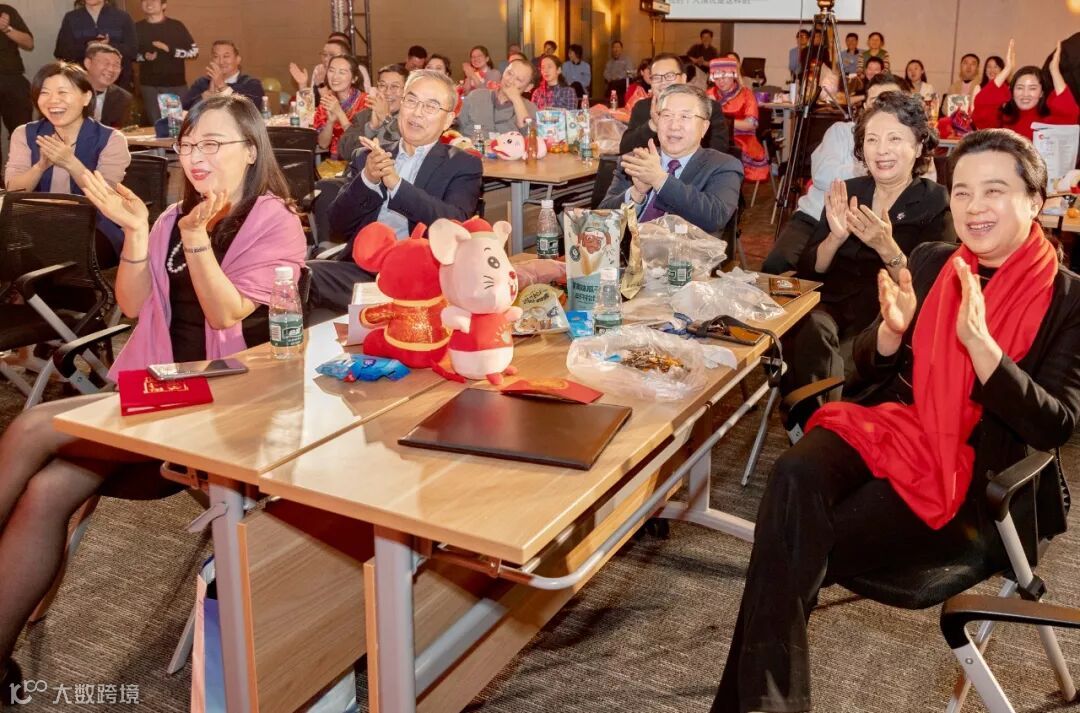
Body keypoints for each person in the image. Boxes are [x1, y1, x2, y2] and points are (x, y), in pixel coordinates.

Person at [712, 128, 1080, 713]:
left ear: (1035, 201)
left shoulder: (1068, 300)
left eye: (994, 191)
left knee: (787, 544)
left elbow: (1055, 425)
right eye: (962, 192)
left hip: (980, 486)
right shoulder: (933, 261)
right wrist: (890, 333)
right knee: (794, 475)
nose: (974, 207)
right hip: (896, 428)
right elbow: (865, 368)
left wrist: (984, 351)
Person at [0, 94, 306, 704]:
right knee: (48, 488)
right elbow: (134, 305)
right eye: (188, 144)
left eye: (212, 143)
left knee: (32, 426)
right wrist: (139, 233)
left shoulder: (273, 221)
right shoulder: (172, 216)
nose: (196, 155)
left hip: (228, 399)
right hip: (160, 391)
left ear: (250, 151)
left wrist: (197, 241)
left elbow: (226, 312)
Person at [785, 91, 953, 401]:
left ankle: (821, 413)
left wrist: (887, 248)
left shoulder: (935, 201)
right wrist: (835, 238)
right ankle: (820, 414)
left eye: (894, 139)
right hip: (831, 308)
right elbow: (808, 269)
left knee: (848, 360)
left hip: (885, 315)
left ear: (918, 146)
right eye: (872, 140)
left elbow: (933, 287)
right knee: (809, 327)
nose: (882, 150)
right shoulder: (849, 191)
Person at [308, 70, 483, 313]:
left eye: (431, 106)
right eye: (411, 101)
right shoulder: (369, 156)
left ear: (447, 120)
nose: (417, 112)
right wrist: (368, 179)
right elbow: (338, 225)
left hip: (420, 278)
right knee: (298, 276)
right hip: (364, 272)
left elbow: (453, 225)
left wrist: (397, 185)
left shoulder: (461, 164)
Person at [764, 74, 925, 274]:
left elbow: (922, 183)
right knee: (776, 267)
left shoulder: (910, 143)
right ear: (865, 106)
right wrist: (877, 168)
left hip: (879, 226)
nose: (885, 109)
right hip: (815, 216)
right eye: (877, 102)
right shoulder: (841, 132)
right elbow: (822, 174)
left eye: (892, 101)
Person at [4, 61, 131, 259]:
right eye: (44, 93)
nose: (53, 100)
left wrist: (70, 162)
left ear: (86, 97)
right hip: (32, 224)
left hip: (93, 226)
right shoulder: (25, 133)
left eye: (63, 92)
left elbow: (107, 197)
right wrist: (40, 166)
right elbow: (13, 191)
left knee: (56, 249)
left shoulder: (111, 139)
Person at [601, 84, 742, 235]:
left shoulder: (723, 165)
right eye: (667, 115)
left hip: (684, 250)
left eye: (685, 117)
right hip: (627, 248)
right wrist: (636, 194)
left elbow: (715, 217)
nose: (674, 126)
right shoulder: (635, 161)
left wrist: (660, 180)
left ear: (704, 127)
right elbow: (601, 220)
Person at [620, 53, 731, 158]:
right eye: (656, 77)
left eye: (670, 76)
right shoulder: (642, 107)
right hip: (648, 169)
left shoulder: (707, 107)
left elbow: (719, 150)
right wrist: (652, 125)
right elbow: (625, 149)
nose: (663, 82)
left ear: (683, 78)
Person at [973, 40, 1079, 140]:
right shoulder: (1003, 120)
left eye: (1032, 88)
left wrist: (1054, 71)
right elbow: (982, 105)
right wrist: (1007, 69)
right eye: (1020, 88)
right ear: (1012, 91)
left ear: (1041, 93)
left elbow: (1069, 112)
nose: (1025, 94)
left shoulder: (1048, 122)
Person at [706, 57, 767, 182]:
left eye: (724, 77)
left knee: (726, 155)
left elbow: (751, 124)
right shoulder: (709, 94)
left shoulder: (746, 94)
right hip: (714, 137)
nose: (720, 82)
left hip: (741, 138)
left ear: (733, 75)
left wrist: (725, 122)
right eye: (717, 78)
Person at [134, 0, 196, 123]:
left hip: (174, 85)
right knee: (155, 126)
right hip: (149, 86)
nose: (149, 3)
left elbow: (193, 52)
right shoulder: (136, 27)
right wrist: (144, 56)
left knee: (176, 126)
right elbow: (130, 54)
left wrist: (169, 49)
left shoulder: (176, 26)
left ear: (164, 5)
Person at [55, 0, 137, 89]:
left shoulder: (122, 17)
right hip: (81, 83)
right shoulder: (71, 18)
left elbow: (133, 50)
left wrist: (109, 46)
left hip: (118, 83)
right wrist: (87, 47)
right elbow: (61, 51)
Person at [337, 64, 408, 159]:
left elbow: (411, 144)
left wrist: (386, 119)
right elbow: (345, 152)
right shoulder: (364, 115)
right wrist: (371, 128)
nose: (387, 92)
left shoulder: (412, 118)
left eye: (395, 86)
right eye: (382, 85)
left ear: (406, 91)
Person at [456, 58, 537, 135]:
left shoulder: (529, 108)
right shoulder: (476, 96)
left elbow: (530, 136)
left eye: (519, 79)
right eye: (509, 73)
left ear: (528, 87)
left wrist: (516, 100)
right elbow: (456, 127)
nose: (510, 80)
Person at [181, 40, 264, 110]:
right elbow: (183, 108)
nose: (221, 62)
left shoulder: (251, 84)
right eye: (216, 56)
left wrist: (222, 86)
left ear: (238, 60)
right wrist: (202, 98)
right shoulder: (202, 83)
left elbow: (252, 110)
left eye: (226, 56)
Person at [313, 54, 368, 159]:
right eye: (331, 70)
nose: (335, 77)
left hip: (360, 160)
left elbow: (359, 143)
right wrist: (330, 122)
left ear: (354, 78)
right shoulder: (327, 101)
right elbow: (323, 144)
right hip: (335, 161)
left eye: (342, 72)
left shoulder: (366, 102)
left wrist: (339, 112)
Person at [0, 3, 34, 170]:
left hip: (13, 80)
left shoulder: (6, 11)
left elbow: (29, 43)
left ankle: (23, 176)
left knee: (22, 133)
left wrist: (7, 29)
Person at [288, 37, 352, 104]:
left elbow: (336, 108)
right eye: (324, 54)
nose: (326, 59)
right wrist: (303, 84)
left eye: (332, 55)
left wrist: (321, 85)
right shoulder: (320, 72)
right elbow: (310, 107)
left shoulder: (348, 76)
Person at [82, 42, 132, 128]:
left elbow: (121, 130)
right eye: (106, 63)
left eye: (116, 65)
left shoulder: (123, 98)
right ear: (88, 63)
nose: (111, 69)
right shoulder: (69, 91)